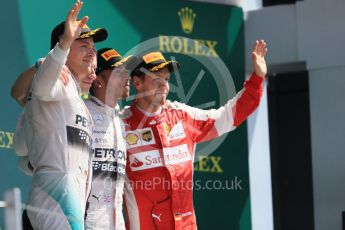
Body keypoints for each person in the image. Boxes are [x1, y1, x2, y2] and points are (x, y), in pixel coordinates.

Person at [122, 40, 268, 229]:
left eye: (166, 79)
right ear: (137, 83)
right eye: (157, 79)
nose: (164, 85)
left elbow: (227, 117)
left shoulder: (183, 117)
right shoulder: (119, 124)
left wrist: (257, 79)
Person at [13, 1, 108, 229]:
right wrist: (62, 46)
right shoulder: (58, 79)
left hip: (67, 203)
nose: (91, 53)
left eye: (93, 49)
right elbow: (43, 86)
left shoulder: (78, 99)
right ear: (62, 48)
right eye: (83, 45)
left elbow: (22, 147)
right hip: (55, 202)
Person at [83, 48, 135, 229]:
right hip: (84, 221)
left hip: (116, 223)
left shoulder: (121, 120)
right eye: (118, 72)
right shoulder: (82, 113)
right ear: (97, 80)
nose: (126, 76)